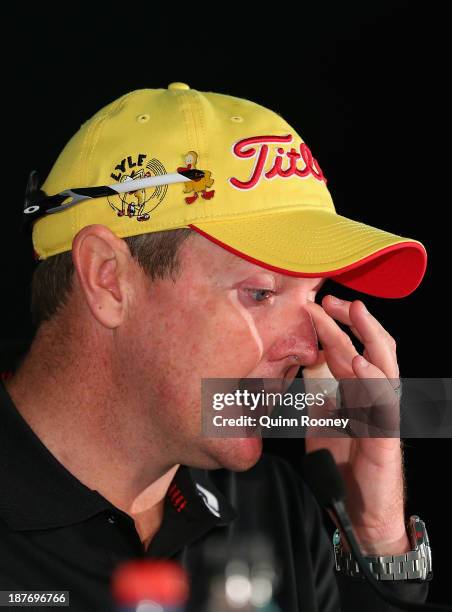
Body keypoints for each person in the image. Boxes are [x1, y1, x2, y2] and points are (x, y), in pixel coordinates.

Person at [0, 82, 431, 611]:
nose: (306, 346)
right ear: (108, 279)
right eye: (261, 293)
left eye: (315, 298)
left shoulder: (274, 507)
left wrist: (374, 531)